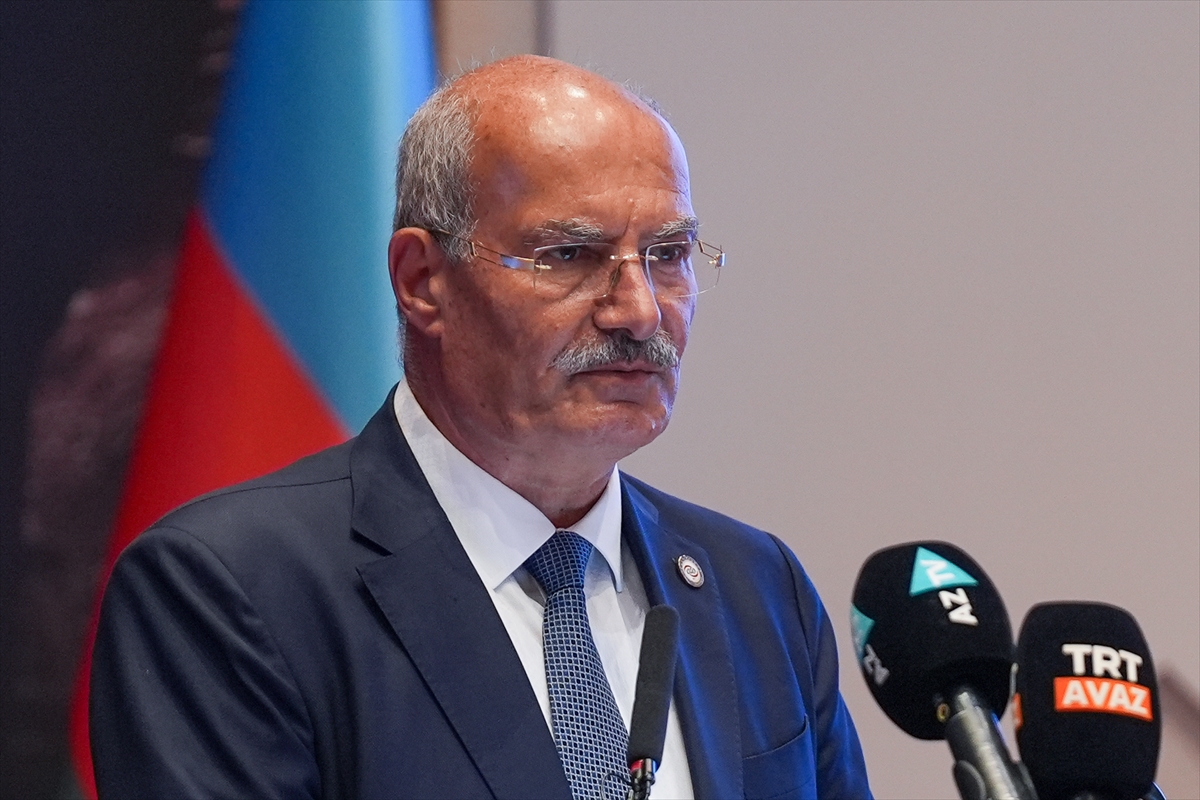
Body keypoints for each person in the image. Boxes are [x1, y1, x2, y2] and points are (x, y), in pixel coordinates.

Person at [90, 56, 871, 799]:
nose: (639, 311)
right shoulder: (231, 588)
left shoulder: (757, 589)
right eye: (571, 254)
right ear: (422, 282)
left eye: (667, 255)